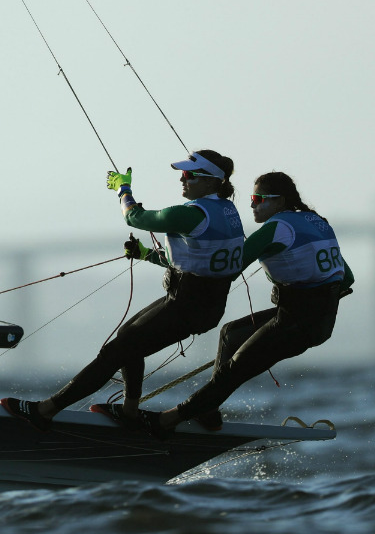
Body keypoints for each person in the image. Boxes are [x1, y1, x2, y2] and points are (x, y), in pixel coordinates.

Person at [1, 150, 245, 431]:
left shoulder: (191, 214)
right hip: (202, 303)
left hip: (187, 306)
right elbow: (199, 260)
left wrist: (123, 189)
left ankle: (45, 411)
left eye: (189, 175)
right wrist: (145, 254)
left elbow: (135, 217)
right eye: (182, 174)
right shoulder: (227, 212)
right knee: (126, 336)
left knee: (114, 352)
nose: (182, 179)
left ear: (211, 181)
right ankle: (129, 411)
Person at [147, 171, 354, 432]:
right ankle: (207, 410)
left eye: (258, 199)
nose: (252, 204)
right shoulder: (316, 222)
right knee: (231, 334)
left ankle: (167, 421)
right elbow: (347, 278)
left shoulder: (276, 229)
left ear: (279, 201)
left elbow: (226, 268)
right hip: (316, 319)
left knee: (233, 371)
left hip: (296, 323)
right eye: (252, 199)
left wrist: (157, 258)